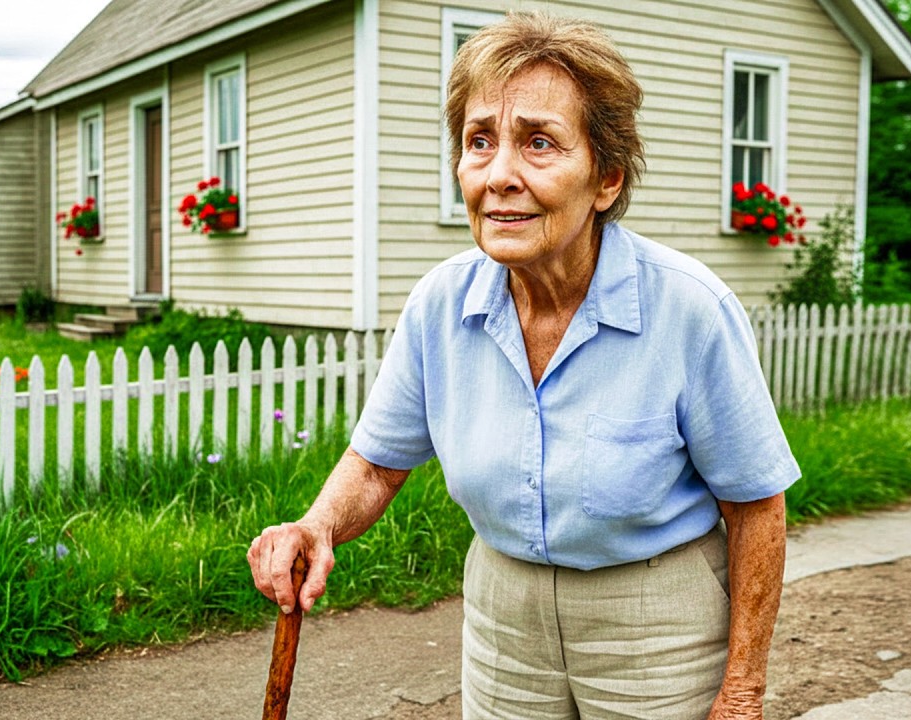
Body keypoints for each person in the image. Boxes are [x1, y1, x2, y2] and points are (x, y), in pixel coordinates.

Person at [247, 11, 800, 719]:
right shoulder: (440, 304)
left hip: (653, 619)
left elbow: (756, 508)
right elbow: (379, 462)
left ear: (605, 179)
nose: (499, 175)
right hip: (504, 614)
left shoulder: (689, 309)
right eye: (480, 142)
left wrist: (743, 690)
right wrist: (316, 526)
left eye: (538, 143)